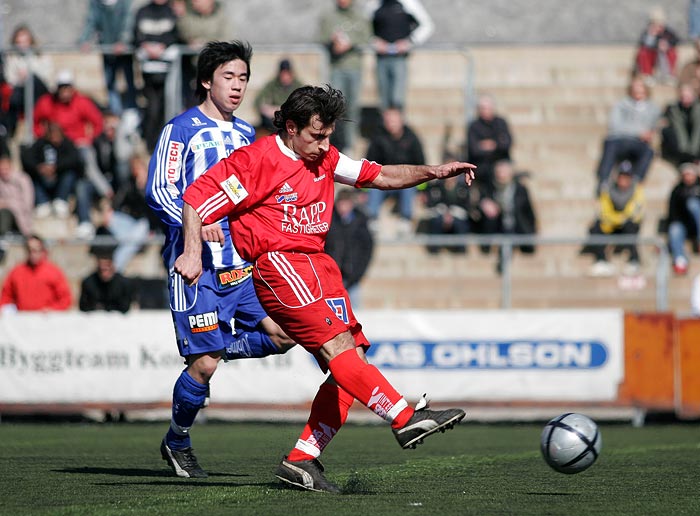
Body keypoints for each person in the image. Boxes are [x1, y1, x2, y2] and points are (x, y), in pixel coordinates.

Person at [177, 84, 471, 493]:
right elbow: (197, 198)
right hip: (280, 264)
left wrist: (433, 172)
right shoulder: (257, 161)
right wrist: (192, 252)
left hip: (319, 265)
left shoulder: (325, 157)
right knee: (339, 352)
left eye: (329, 135)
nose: (324, 145)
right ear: (292, 128)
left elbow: (380, 175)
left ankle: (302, 459)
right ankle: (405, 419)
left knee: (353, 361)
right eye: (317, 136)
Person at [145, 40, 295, 479]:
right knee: (205, 366)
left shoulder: (248, 134)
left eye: (244, 78)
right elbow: (160, 192)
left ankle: (212, 348)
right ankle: (177, 440)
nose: (237, 86)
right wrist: (195, 223)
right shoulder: (181, 130)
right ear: (207, 81)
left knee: (285, 334)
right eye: (228, 77)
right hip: (196, 269)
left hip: (242, 265)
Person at [33, 70, 110, 238]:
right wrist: (44, 138)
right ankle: (51, 199)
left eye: (67, 87)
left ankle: (103, 190)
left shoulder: (82, 102)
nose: (64, 91)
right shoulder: (47, 103)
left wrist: (87, 139)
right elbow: (37, 121)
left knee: (84, 156)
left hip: (77, 145)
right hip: (57, 146)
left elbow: (97, 123)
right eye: (61, 87)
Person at [319, 0, 371, 154]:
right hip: (337, 67)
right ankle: (336, 142)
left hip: (354, 67)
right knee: (335, 106)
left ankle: (350, 143)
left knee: (353, 106)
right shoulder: (330, 17)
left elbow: (367, 38)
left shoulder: (360, 17)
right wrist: (332, 41)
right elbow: (321, 38)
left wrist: (350, 44)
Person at [594, 76, 660, 195]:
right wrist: (638, 132)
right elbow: (614, 126)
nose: (638, 91)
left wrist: (647, 134)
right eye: (635, 87)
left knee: (649, 151)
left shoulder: (653, 109)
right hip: (619, 139)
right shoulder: (621, 105)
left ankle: (636, 181)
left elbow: (652, 127)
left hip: (639, 143)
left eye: (640, 87)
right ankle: (603, 180)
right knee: (609, 145)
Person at [365, 106, 425, 235]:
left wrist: (422, 190)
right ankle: (372, 218)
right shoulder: (378, 138)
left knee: (409, 184)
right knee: (373, 184)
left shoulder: (412, 138)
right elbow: (368, 164)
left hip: (404, 181)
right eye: (388, 120)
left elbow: (421, 164)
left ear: (401, 120)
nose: (390, 123)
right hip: (383, 179)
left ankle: (405, 219)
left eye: (394, 120)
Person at [367, 0, 434, 110]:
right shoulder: (375, 4)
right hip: (381, 59)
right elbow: (363, 26)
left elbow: (427, 25)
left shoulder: (409, 3)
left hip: (400, 59)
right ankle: (385, 126)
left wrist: (410, 41)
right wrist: (375, 42)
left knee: (397, 99)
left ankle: (397, 126)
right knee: (383, 100)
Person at [133, 0, 181, 151]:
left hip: (168, 71)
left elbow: (177, 35)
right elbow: (136, 35)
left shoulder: (172, 11)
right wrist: (147, 47)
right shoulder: (143, 11)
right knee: (151, 108)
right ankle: (151, 145)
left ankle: (163, 143)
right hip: (148, 71)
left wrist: (162, 46)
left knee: (166, 108)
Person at [474, 159, 536, 272]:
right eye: (499, 170)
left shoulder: (520, 190)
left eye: (504, 170)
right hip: (496, 226)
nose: (501, 173)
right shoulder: (488, 188)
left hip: (516, 227)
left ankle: (504, 262)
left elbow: (529, 213)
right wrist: (483, 204)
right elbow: (476, 208)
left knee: (509, 236)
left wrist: (531, 233)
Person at [102, 151, 160, 272]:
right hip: (131, 223)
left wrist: (143, 189)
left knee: (135, 235)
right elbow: (119, 199)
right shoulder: (129, 183)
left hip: (147, 226)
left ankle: (116, 267)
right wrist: (110, 211)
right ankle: (134, 243)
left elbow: (153, 211)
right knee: (116, 222)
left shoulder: (153, 184)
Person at [77, 0, 138, 115]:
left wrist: (123, 41)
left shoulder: (125, 3)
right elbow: (91, 21)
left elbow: (128, 22)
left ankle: (132, 114)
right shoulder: (96, 3)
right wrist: (85, 40)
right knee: (110, 84)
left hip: (125, 51)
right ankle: (115, 115)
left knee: (129, 83)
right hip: (107, 49)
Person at [584, 162, 645, 277]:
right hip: (611, 224)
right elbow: (604, 211)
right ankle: (601, 260)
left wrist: (621, 219)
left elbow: (636, 212)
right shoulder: (608, 189)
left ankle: (634, 260)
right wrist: (618, 219)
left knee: (631, 226)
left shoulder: (637, 189)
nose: (624, 179)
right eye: (622, 176)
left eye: (627, 176)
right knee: (596, 227)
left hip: (627, 225)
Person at [20, 122, 82, 219]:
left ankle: (61, 201)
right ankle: (42, 203)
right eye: (52, 134)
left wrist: (56, 167)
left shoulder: (67, 144)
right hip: (42, 178)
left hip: (60, 178)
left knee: (69, 175)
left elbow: (74, 159)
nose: (55, 137)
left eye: (57, 134)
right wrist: (39, 167)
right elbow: (27, 158)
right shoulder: (40, 144)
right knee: (30, 176)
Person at [173, 0, 229, 108]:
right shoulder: (189, 15)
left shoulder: (221, 17)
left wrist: (205, 44)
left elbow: (226, 40)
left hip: (214, 67)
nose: (194, 3)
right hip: (193, 68)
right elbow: (184, 32)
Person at [325, 188, 374, 308]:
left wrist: (357, 274)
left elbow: (367, 249)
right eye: (340, 203)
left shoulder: (360, 221)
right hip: (331, 276)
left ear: (351, 204)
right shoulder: (329, 220)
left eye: (346, 203)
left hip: (352, 277)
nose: (342, 207)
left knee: (354, 312)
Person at [0, 234, 72, 313]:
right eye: (30, 250)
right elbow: (6, 296)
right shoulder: (16, 272)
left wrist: (53, 309)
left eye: (36, 250)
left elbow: (65, 299)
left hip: (46, 320)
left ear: (43, 251)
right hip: (23, 319)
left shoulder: (53, 271)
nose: (33, 254)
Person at [3, 24, 52, 138]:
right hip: (21, 91)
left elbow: (47, 76)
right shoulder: (12, 57)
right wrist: (21, 78)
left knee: (32, 80)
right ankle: (9, 131)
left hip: (40, 89)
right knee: (14, 98)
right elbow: (10, 79)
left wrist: (29, 75)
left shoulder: (40, 55)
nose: (22, 44)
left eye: (25, 41)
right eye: (19, 42)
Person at [465, 94, 513, 187]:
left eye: (487, 108)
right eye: (482, 108)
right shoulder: (474, 126)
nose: (485, 111)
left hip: (500, 162)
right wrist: (496, 145)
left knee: (503, 170)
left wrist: (490, 145)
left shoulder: (500, 123)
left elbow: (507, 143)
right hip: (481, 167)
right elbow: (474, 150)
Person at [421, 173, 471, 254]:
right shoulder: (436, 187)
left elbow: (466, 207)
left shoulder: (463, 188)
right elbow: (431, 205)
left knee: (461, 224)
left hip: (457, 216)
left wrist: (451, 214)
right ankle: (434, 251)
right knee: (436, 221)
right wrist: (444, 213)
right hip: (440, 215)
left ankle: (461, 252)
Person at [666, 162, 700, 276]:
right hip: (684, 225)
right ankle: (680, 261)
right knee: (674, 228)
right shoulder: (677, 191)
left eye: (690, 174)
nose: (688, 177)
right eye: (686, 174)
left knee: (693, 204)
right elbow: (672, 213)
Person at [254, 58, 303, 134]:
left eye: (287, 74)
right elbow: (258, 102)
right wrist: (266, 108)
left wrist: (281, 109)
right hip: (275, 118)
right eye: (283, 74)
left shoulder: (298, 85)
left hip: (292, 117)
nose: (285, 77)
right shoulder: (272, 85)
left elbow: (302, 104)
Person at [79, 247, 134, 313]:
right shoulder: (88, 282)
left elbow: (125, 307)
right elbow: (83, 306)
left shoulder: (124, 283)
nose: (104, 273)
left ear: (113, 267)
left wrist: (105, 307)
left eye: (107, 269)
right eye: (102, 270)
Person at [635, 7, 679, 82]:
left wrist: (667, 45)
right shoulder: (647, 33)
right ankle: (647, 75)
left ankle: (669, 75)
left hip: (665, 56)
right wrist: (652, 37)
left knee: (672, 52)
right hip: (653, 55)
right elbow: (643, 44)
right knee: (643, 52)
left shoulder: (667, 32)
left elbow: (676, 40)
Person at [660, 83, 700, 168]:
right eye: (683, 96)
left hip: (696, 145)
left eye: (688, 96)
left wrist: (693, 151)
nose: (685, 99)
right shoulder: (673, 108)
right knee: (668, 131)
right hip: (681, 145)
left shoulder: (697, 108)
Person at [0, 146, 34, 237]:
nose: (3, 172)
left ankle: (3, 236)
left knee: (5, 212)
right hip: (6, 212)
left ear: (11, 166)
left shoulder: (23, 179)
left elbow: (27, 202)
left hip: (21, 213)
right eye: (1, 169)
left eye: (5, 169)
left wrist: (8, 203)